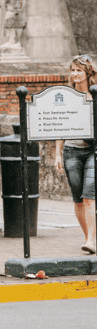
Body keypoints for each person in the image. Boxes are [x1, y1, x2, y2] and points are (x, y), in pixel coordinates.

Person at [55, 55, 97, 254]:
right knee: (78, 198)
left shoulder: (94, 95)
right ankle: (88, 236)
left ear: (88, 72)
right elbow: (59, 126)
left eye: (78, 70)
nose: (74, 74)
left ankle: (91, 240)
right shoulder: (66, 96)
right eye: (72, 70)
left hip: (92, 151)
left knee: (89, 196)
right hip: (71, 151)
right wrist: (58, 153)